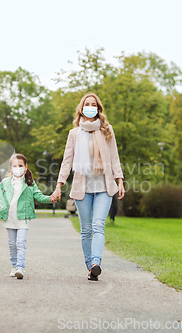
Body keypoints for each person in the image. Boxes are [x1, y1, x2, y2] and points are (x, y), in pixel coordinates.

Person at [51, 92, 125, 281]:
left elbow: (114, 156)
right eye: (87, 104)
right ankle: (89, 267)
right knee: (86, 229)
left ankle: (95, 263)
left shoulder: (107, 130)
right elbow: (67, 162)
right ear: (81, 109)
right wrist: (59, 185)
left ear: (98, 109)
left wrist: (120, 180)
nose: (90, 107)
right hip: (82, 188)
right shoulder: (74, 133)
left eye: (94, 104)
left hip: (104, 187)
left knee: (98, 225)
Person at [0, 154, 56, 279]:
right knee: (12, 244)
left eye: (20, 165)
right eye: (15, 166)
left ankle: (20, 267)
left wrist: (51, 198)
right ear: (11, 168)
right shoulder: (5, 183)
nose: (18, 168)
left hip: (24, 217)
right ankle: (14, 266)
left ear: (25, 167)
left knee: (20, 242)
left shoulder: (30, 183)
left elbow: (39, 196)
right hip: (9, 217)